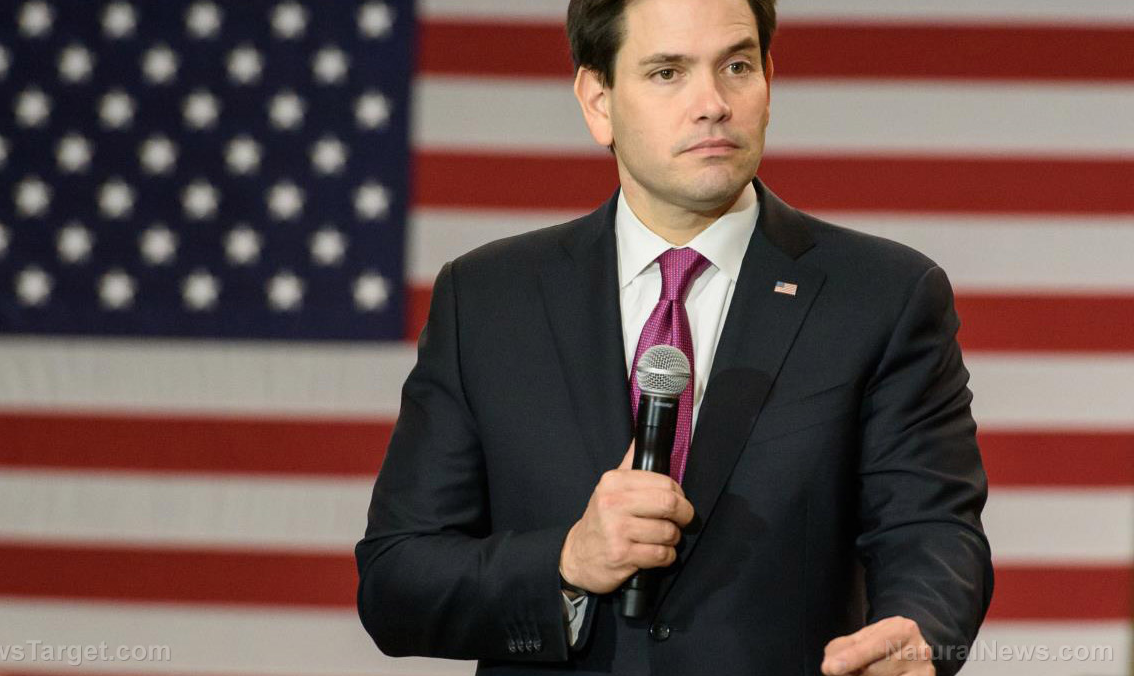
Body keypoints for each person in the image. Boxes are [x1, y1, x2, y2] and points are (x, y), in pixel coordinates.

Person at [355, 0, 992, 674]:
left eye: (737, 66)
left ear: (769, 80)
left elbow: (931, 531)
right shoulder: (487, 300)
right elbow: (397, 579)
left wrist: (917, 632)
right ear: (598, 100)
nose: (713, 104)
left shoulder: (883, 296)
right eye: (667, 72)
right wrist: (567, 562)